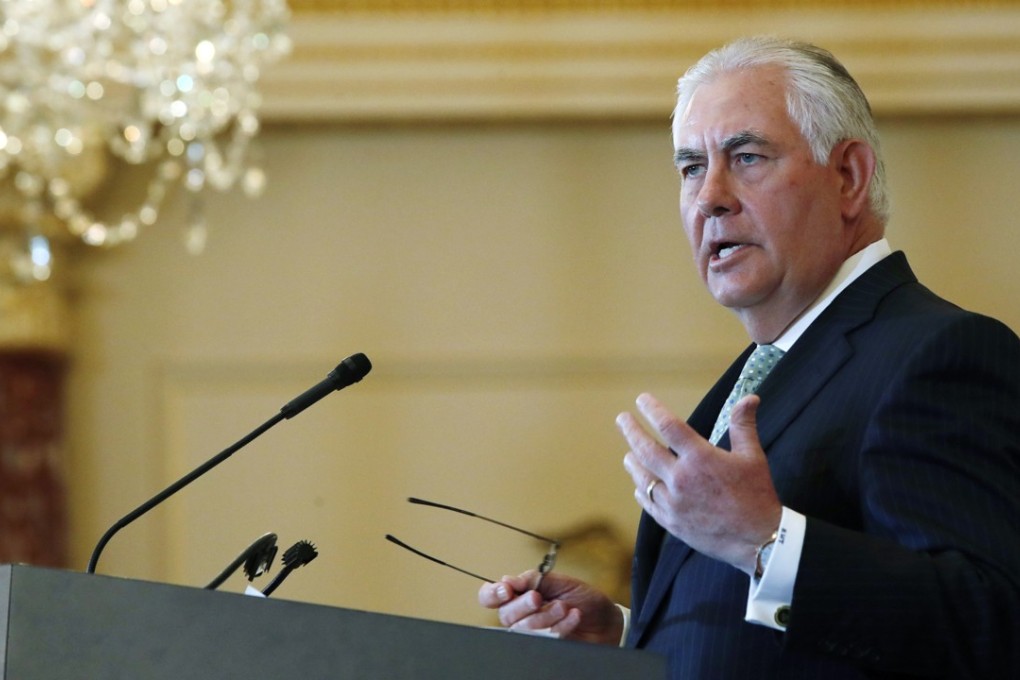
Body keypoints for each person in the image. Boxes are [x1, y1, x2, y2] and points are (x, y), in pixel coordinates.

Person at [478, 36, 1020, 678]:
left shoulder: (938, 354)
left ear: (849, 178)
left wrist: (765, 540)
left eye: (747, 157)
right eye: (690, 168)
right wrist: (627, 639)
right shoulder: (767, 368)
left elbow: (993, 624)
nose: (710, 196)